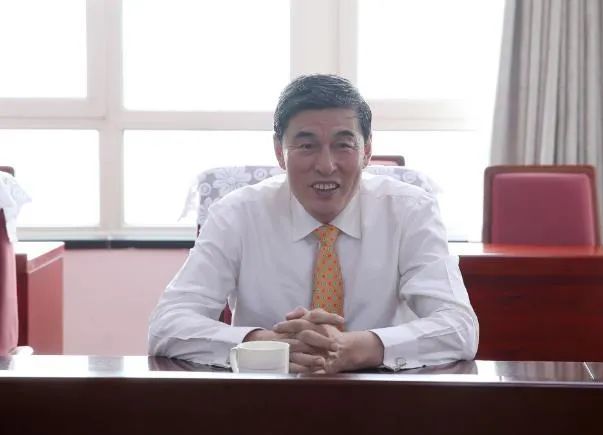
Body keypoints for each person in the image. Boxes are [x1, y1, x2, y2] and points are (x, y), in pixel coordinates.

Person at [148, 74, 478, 373]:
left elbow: (460, 327)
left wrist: (362, 347)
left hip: (380, 396)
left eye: (343, 145)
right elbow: (166, 325)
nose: (326, 165)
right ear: (279, 152)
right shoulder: (236, 214)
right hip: (264, 398)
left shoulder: (410, 211)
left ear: (367, 151)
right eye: (306, 146)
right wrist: (269, 345)